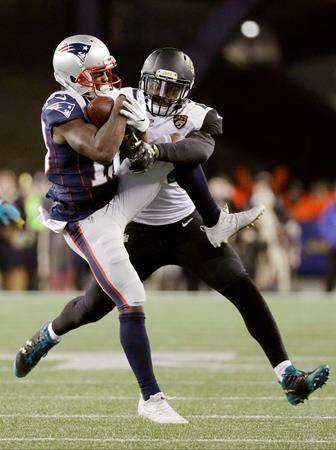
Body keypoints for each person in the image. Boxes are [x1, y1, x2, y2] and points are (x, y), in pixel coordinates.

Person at [15, 46, 329, 408]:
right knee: (92, 306)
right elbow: (88, 139)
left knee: (244, 290)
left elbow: (198, 153)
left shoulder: (198, 115)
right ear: (143, 82)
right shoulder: (119, 99)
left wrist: (156, 152)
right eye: (157, 87)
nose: (162, 97)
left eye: (173, 89)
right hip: (133, 226)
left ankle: (287, 374)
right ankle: (48, 335)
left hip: (184, 225)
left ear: (188, 90)